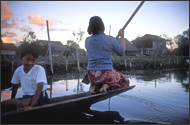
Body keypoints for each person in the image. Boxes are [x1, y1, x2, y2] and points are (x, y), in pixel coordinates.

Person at [85, 16, 130, 94]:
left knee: (98, 76)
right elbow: (121, 52)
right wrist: (122, 37)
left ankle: (94, 86)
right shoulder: (110, 39)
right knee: (125, 81)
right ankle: (106, 85)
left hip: (91, 74)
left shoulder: (87, 40)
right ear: (102, 26)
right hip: (105, 74)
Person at [1, 43, 49, 112]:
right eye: (27, 59)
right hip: (27, 97)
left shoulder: (39, 69)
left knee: (21, 104)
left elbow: (40, 87)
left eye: (33, 60)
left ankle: (35, 104)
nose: (30, 63)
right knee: (3, 104)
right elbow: (15, 86)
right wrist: (12, 99)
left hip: (40, 97)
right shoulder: (18, 70)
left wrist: (31, 106)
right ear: (21, 58)